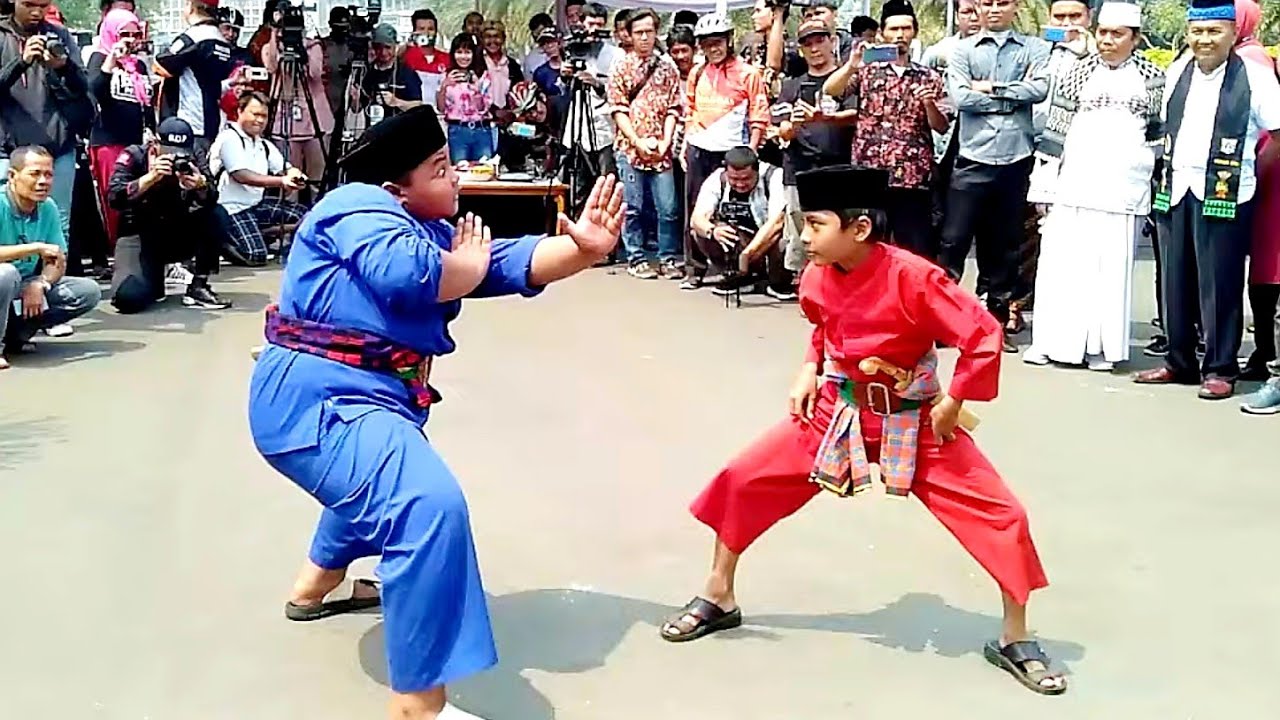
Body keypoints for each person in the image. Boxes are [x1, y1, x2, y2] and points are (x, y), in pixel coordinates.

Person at [246, 104, 624, 720]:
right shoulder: (356, 206)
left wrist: (582, 251)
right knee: (425, 505)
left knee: (384, 476)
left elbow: (509, 262)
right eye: (440, 167)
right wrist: (464, 268)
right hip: (315, 399)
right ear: (397, 187)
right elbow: (404, 275)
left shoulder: (428, 230)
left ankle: (313, 588)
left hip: (372, 401)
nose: (455, 177)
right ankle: (418, 704)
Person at [660, 163, 1066, 697]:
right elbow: (823, 328)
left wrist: (955, 400)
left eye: (816, 225)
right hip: (837, 409)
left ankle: (1015, 635)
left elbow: (983, 334)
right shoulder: (815, 276)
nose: (804, 237)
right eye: (803, 224)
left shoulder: (916, 278)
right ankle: (720, 593)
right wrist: (809, 368)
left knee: (1000, 513)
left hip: (915, 419)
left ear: (859, 229)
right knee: (744, 476)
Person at [1134, 0, 1280, 400]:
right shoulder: (1179, 70)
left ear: (1233, 34)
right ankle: (1179, 361)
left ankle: (1220, 368)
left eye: (1214, 31)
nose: (1204, 39)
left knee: (1220, 284)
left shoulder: (1254, 76)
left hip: (1228, 193)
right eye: (1197, 31)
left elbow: (1278, 132)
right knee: (1175, 280)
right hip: (1176, 189)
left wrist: (1252, 170)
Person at [1023, 1, 1164, 372]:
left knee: (1111, 273)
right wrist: (1044, 186)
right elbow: (1055, 133)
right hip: (1074, 186)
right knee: (1061, 267)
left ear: (1135, 38)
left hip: (1124, 191)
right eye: (1102, 32)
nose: (1108, 41)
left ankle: (1102, 349)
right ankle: (1052, 343)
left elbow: (1158, 136)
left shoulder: (1153, 78)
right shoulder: (1075, 73)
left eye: (1118, 34)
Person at [941, 0, 1050, 353]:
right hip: (972, 157)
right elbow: (961, 98)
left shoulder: (1035, 47)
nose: (993, 10)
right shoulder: (961, 50)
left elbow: (1039, 90)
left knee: (1003, 246)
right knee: (954, 241)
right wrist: (1012, 96)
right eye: (986, 3)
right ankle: (944, 321)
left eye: (1002, 3)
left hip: (1016, 157)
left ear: (1015, 6)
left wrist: (991, 89)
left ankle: (995, 322)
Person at [824, 0, 949, 259]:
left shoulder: (930, 77)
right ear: (882, 33)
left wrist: (928, 103)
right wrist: (850, 66)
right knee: (865, 246)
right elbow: (831, 91)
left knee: (912, 251)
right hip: (869, 174)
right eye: (893, 29)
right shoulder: (868, 69)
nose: (900, 35)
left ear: (915, 31)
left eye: (906, 28)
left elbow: (941, 126)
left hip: (911, 176)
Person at [681, 13, 769, 289]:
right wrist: (686, 143)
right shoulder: (697, 72)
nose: (712, 49)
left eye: (717, 42)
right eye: (706, 44)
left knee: (735, 210)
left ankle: (740, 267)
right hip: (700, 147)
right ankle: (694, 270)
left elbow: (759, 114)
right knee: (695, 207)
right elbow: (691, 109)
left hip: (733, 151)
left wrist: (751, 152)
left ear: (729, 41)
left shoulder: (748, 73)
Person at [108, 117, 229, 312]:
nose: (176, 159)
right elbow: (115, 198)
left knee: (217, 214)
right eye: (170, 154)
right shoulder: (134, 156)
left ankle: (199, 284)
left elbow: (213, 194)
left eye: (181, 154)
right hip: (139, 233)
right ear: (155, 144)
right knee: (128, 298)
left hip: (178, 229)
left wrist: (201, 186)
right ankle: (154, 277)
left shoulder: (195, 154)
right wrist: (150, 178)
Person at [1, 146, 102, 369]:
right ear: (12, 176)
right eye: (35, 173)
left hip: (22, 287)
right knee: (6, 274)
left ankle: (15, 336)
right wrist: (34, 248)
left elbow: (57, 259)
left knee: (86, 291)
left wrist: (41, 283)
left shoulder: (48, 207)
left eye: (48, 174)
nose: (43, 181)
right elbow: (40, 251)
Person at [0, 0, 93, 238]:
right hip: (8, 151)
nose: (36, 12)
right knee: (5, 228)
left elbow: (84, 88)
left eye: (43, 5)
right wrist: (21, 63)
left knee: (58, 227)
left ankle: (52, 276)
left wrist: (63, 67)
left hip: (57, 148)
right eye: (29, 4)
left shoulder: (58, 34)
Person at [775, 21, 856, 276]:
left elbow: (857, 116)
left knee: (839, 232)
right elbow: (781, 130)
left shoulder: (849, 81)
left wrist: (826, 118)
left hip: (840, 166)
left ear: (832, 42)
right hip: (799, 170)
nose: (814, 48)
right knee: (803, 237)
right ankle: (806, 287)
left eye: (820, 41)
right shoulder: (791, 86)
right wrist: (795, 124)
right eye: (807, 44)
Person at [607, 9, 683, 280]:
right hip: (630, 148)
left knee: (669, 208)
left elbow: (675, 107)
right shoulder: (621, 67)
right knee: (633, 207)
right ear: (629, 35)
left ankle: (668, 257)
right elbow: (618, 109)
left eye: (649, 32)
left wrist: (666, 141)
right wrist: (637, 140)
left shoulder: (667, 67)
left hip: (661, 149)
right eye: (639, 32)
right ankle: (636, 257)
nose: (644, 38)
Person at [212, 91, 310, 266]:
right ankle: (220, 240)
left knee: (305, 216)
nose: (260, 120)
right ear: (240, 112)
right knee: (256, 256)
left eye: (264, 116)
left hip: (256, 205)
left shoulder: (263, 143)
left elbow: (285, 167)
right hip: (231, 208)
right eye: (255, 114)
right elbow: (241, 175)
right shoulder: (229, 138)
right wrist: (281, 181)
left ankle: (262, 232)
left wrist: (295, 175)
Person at [85, 7, 153, 251]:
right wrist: (111, 61)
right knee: (116, 198)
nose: (131, 41)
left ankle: (140, 247)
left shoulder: (139, 67)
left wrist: (151, 133)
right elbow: (94, 93)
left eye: (135, 35)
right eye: (125, 34)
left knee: (142, 196)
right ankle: (118, 250)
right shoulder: (99, 58)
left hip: (137, 142)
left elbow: (147, 104)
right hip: (109, 141)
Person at [688, 146, 790, 298]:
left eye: (746, 179)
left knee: (783, 239)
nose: (740, 184)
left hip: (767, 240)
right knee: (700, 233)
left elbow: (776, 223)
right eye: (734, 179)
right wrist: (712, 231)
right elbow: (697, 219)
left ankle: (779, 283)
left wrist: (748, 254)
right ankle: (739, 277)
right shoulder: (717, 179)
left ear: (757, 170)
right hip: (740, 237)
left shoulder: (774, 176)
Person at [155, 0, 236, 156]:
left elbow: (160, 64)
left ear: (191, 7)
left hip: (187, 123)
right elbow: (213, 84)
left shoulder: (194, 36)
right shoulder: (221, 41)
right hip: (211, 121)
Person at [438, 34, 494, 164]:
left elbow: (483, 108)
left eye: (468, 52)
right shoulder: (447, 75)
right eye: (459, 52)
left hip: (481, 130)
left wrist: (476, 88)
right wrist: (444, 86)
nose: (463, 57)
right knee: (460, 173)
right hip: (458, 131)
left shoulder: (483, 76)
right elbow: (441, 108)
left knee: (485, 170)